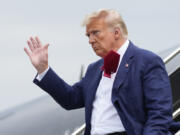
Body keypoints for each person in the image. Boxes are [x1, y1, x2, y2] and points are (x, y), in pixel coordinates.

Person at [24, 9, 174, 135]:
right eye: (88, 35)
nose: (90, 40)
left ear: (116, 33)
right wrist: (43, 69)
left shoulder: (147, 61)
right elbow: (70, 99)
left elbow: (159, 114)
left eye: (95, 33)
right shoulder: (94, 69)